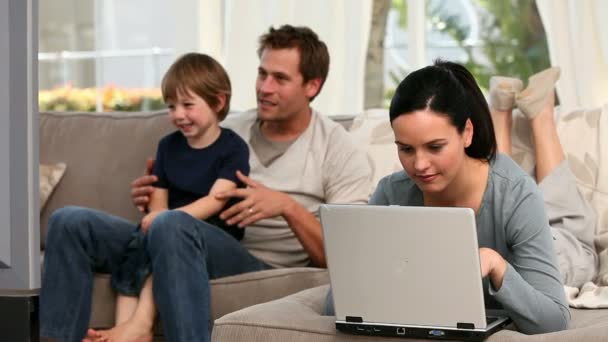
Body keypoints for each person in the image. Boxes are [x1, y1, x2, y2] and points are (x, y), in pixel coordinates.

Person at [40, 24, 371, 342]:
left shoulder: (338, 149)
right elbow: (172, 186)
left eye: (280, 78)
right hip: (179, 239)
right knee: (70, 221)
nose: (264, 88)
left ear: (312, 86)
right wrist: (154, 196)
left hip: (249, 260)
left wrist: (288, 207)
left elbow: (347, 255)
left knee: (173, 224)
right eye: (261, 73)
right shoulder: (222, 129)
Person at [326, 60, 571, 334]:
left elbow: (554, 319)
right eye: (406, 149)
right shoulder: (391, 192)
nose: (419, 165)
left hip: (564, 247)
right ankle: (500, 115)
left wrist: (496, 265)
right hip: (503, 193)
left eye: (435, 147)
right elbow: (336, 303)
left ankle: (539, 115)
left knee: (563, 210)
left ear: (467, 132)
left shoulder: (519, 196)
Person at [81, 52, 251, 342]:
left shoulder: (232, 148)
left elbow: (216, 200)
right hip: (168, 229)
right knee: (141, 241)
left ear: (218, 102)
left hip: (209, 235)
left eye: (187, 105)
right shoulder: (168, 146)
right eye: (171, 106)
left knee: (165, 230)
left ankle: (138, 325)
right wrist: (153, 221)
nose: (178, 115)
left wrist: (165, 219)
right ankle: (127, 328)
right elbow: (158, 199)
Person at [489, 67, 598, 288]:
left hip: (501, 246)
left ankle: (501, 115)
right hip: (543, 254)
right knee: (573, 236)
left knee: (505, 213)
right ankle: (541, 117)